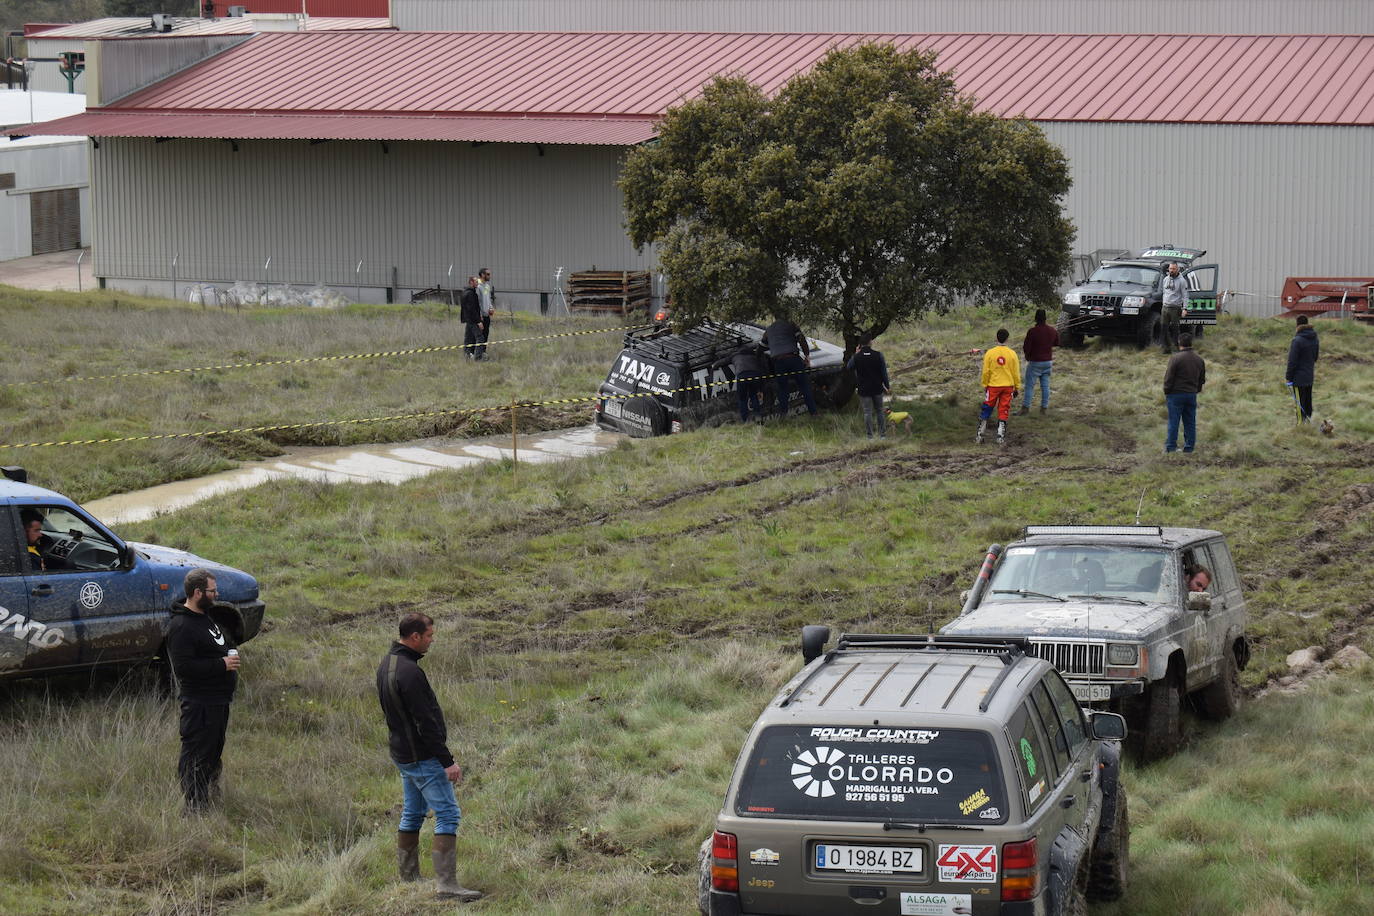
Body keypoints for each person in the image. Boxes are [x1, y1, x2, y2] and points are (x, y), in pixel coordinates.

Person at [377, 613, 483, 902]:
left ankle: (408, 876)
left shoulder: (388, 663)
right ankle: (447, 886)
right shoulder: (410, 673)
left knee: (412, 812)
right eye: (429, 636)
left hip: (402, 754)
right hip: (422, 758)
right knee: (448, 814)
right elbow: (426, 723)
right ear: (414, 637)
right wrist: (447, 761)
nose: (431, 640)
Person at [167, 567, 239, 813]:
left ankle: (209, 796)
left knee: (212, 753)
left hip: (218, 701)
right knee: (196, 756)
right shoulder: (181, 626)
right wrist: (222, 664)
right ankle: (194, 808)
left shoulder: (205, 617)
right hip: (200, 704)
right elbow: (184, 668)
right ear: (198, 593)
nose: (216, 594)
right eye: (212, 590)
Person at [763, 313, 817, 418]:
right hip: (793, 359)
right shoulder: (791, 325)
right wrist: (807, 356)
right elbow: (801, 340)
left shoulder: (768, 330)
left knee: (782, 389)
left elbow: (761, 347)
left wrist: (756, 357)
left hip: (778, 362)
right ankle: (813, 413)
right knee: (804, 386)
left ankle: (783, 415)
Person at [1163, 332, 1206, 453]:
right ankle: (1189, 448)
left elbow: (1169, 377)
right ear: (1191, 343)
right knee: (1190, 422)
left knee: (1173, 421)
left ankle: (1171, 447)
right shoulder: (1199, 359)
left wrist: (1167, 391)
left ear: (1179, 343)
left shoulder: (1175, 358)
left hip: (1175, 394)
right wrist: (1195, 390)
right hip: (1191, 394)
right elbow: (1201, 379)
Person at [976, 329, 1020, 445]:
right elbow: (1016, 372)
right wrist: (1017, 386)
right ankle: (1000, 436)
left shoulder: (990, 353)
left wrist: (985, 384)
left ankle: (980, 435)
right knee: (1004, 409)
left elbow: (986, 371)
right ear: (1007, 339)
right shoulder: (1012, 354)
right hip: (1008, 386)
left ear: (996, 338)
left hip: (993, 386)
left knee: (987, 407)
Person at [712, 340, 769, 422]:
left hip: (742, 376)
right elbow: (762, 365)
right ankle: (758, 416)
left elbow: (722, 362)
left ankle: (744, 419)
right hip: (755, 376)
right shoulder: (754, 355)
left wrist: (714, 365)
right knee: (754, 396)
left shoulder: (735, 355)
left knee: (742, 398)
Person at [846, 335, 890, 439]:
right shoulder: (878, 355)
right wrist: (887, 386)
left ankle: (870, 437)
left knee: (867, 412)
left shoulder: (857, 357)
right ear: (870, 342)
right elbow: (884, 372)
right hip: (877, 388)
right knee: (879, 410)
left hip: (864, 389)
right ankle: (882, 435)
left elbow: (849, 367)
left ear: (860, 344)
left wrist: (855, 354)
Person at [1018, 308, 1060, 415]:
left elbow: (1026, 347)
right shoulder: (1052, 330)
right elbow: (1057, 342)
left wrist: (1028, 356)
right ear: (1045, 318)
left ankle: (1025, 408)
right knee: (1045, 386)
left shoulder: (1032, 331)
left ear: (1036, 318)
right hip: (1048, 362)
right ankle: (1043, 409)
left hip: (1035, 362)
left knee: (1029, 386)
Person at [1285, 315, 1320, 422]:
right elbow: (1315, 357)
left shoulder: (1297, 340)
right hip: (1309, 376)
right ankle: (1309, 421)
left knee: (1300, 402)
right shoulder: (1315, 339)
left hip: (1298, 378)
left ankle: (1301, 425)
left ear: (1297, 325)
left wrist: (1288, 377)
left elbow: (1292, 361)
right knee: (1308, 401)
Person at [1161, 262, 1188, 354]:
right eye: (1170, 269)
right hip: (1165, 308)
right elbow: (1164, 293)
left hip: (1175, 308)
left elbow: (1185, 296)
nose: (1171, 271)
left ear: (1177, 269)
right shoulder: (1165, 279)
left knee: (1175, 329)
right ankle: (1166, 348)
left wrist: (1184, 308)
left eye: (1173, 269)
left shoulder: (1182, 281)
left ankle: (1177, 348)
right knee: (1163, 328)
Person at [459, 276, 483, 360]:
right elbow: (472, 309)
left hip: (468, 319)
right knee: (480, 337)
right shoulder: (471, 294)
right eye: (476, 281)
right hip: (472, 320)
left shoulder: (465, 292)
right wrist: (479, 321)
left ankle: (467, 355)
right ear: (471, 282)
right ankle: (477, 357)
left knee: (468, 338)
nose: (477, 283)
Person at [475, 267, 495, 360]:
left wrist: (491, 308)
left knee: (486, 334)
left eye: (489, 274)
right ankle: (476, 355)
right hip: (481, 317)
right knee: (480, 336)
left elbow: (488, 299)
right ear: (482, 275)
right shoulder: (478, 286)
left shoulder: (487, 286)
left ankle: (483, 352)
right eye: (487, 274)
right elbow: (477, 303)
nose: (489, 276)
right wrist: (479, 317)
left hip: (487, 316)